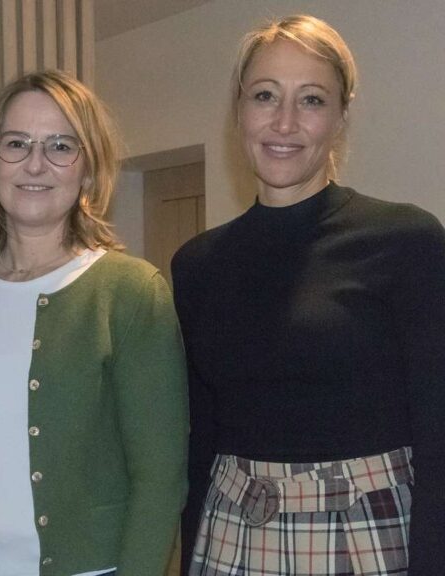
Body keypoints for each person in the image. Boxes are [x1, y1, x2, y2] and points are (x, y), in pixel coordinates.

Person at [173, 15, 445, 576]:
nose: (285, 122)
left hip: (367, 535)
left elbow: (438, 431)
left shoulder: (406, 240)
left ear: (341, 116)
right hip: (229, 535)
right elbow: (201, 441)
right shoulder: (196, 266)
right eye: (265, 95)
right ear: (239, 109)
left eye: (312, 100)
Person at [0, 69, 188, 576]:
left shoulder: (131, 293)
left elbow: (160, 478)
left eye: (61, 146)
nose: (36, 163)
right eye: (16, 143)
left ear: (88, 169)